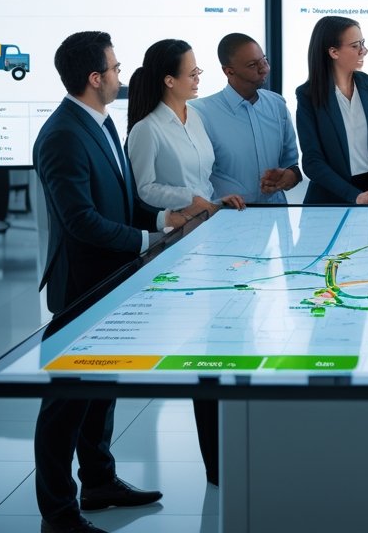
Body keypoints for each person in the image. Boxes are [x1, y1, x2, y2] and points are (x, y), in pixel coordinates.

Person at [33, 31, 194, 533]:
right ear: (95, 78)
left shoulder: (99, 123)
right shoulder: (62, 134)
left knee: (101, 389)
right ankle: (59, 513)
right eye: (116, 68)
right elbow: (80, 220)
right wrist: (148, 239)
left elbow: (121, 199)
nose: (122, 76)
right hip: (82, 285)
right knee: (66, 405)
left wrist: (170, 218)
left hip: (110, 280)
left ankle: (99, 482)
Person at [125, 38, 246, 488]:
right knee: (201, 354)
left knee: (220, 346)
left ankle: (228, 454)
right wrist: (189, 201)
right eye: (192, 73)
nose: (199, 79)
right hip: (175, 244)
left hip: (209, 238)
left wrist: (215, 199)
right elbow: (143, 189)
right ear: (168, 80)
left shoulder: (194, 117)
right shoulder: (145, 129)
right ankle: (215, 465)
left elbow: (203, 174)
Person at [295, 16, 368, 204]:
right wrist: (355, 196)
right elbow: (312, 162)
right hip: (329, 199)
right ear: (333, 52)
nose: (364, 51)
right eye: (355, 46)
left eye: (363, 43)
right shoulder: (308, 95)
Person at [190, 33, 302, 204]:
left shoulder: (277, 105)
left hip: (275, 217)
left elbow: (291, 165)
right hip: (227, 218)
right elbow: (194, 178)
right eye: (252, 65)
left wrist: (290, 176)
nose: (264, 69)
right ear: (229, 71)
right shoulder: (201, 114)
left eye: (264, 61)